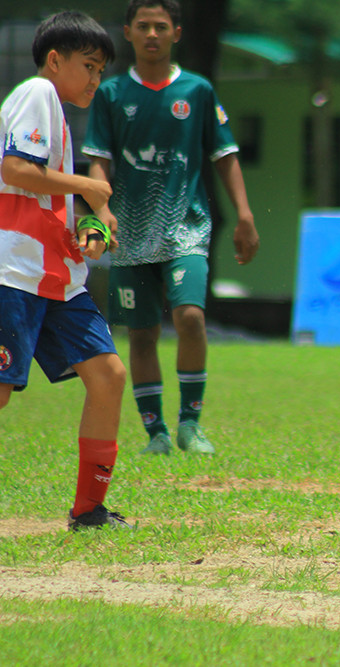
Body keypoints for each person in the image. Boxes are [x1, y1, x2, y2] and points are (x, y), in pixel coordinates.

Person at [83, 0, 260, 455]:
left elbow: (224, 156)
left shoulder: (197, 91)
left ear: (176, 33)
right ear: (128, 32)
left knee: (191, 319)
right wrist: (101, 212)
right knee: (141, 334)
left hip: (187, 228)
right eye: (143, 26)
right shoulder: (112, 94)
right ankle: (155, 433)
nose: (152, 34)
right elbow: (98, 161)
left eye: (161, 26)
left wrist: (244, 214)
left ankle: (190, 424)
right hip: (130, 233)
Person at [0, 11, 132, 530]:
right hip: (14, 271)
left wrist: (86, 230)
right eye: (89, 66)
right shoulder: (38, 92)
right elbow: (13, 169)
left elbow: (36, 190)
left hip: (55, 277)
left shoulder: (56, 111)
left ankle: (89, 511)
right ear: (55, 61)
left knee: (107, 375)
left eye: (101, 71)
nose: (96, 80)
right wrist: (87, 187)